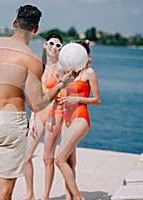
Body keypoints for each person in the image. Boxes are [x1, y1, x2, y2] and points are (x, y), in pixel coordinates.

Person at [0, 5, 75, 200]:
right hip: (11, 122)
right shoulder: (31, 59)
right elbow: (37, 105)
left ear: (14, 23)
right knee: (5, 186)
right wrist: (62, 83)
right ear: (36, 30)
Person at [55, 40, 100, 200]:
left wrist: (77, 98)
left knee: (59, 159)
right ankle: (70, 197)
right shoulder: (69, 73)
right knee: (69, 160)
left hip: (80, 117)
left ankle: (77, 196)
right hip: (67, 118)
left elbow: (97, 99)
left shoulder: (89, 72)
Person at [23, 33, 67, 200]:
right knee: (26, 156)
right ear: (44, 45)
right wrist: (32, 118)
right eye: (51, 43)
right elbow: (36, 97)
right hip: (38, 114)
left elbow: (67, 92)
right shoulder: (38, 67)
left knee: (48, 158)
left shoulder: (62, 68)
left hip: (54, 115)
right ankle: (30, 194)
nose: (54, 48)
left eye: (58, 46)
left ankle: (45, 197)